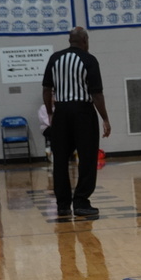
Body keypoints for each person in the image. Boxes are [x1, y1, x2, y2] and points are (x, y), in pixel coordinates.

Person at [42, 27, 111, 218]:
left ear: (70, 40)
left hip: (61, 112)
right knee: (87, 159)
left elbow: (46, 90)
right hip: (83, 112)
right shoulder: (89, 59)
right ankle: (81, 202)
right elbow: (96, 94)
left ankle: (63, 205)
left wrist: (50, 113)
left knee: (61, 160)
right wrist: (105, 118)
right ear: (85, 40)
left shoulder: (55, 58)